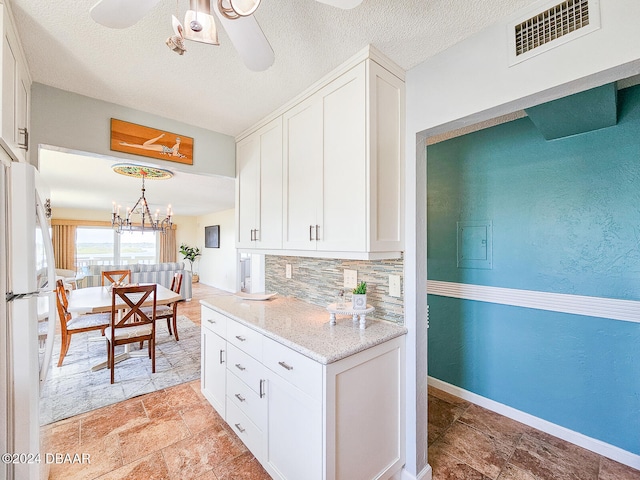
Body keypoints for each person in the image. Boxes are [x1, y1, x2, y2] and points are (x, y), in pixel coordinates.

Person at [120, 133, 185, 158]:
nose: (177, 141)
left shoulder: (177, 146)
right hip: (162, 148)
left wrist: (180, 155)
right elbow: (174, 153)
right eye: (177, 140)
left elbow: (174, 154)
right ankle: (127, 144)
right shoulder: (176, 146)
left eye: (178, 140)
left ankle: (127, 144)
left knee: (144, 146)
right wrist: (179, 155)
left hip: (162, 148)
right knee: (144, 146)